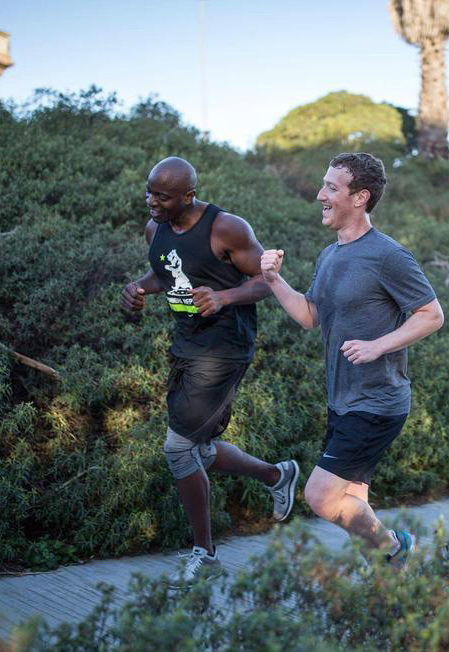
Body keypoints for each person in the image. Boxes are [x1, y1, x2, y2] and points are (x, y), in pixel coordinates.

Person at [260, 152, 444, 567]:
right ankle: (388, 575)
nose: (320, 195)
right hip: (342, 399)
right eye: (323, 185)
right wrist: (273, 280)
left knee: (321, 497)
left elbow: (432, 315)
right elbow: (310, 315)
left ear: (360, 197)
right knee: (352, 500)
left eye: (331, 187)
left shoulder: (388, 255)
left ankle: (396, 547)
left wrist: (379, 345)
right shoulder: (330, 255)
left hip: (377, 401)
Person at [121, 156, 299, 585]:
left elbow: (267, 281)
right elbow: (167, 272)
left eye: (163, 196)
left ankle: (206, 556)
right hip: (186, 345)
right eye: (149, 192)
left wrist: (224, 297)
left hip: (224, 350)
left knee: (178, 449)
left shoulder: (226, 228)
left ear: (189, 195)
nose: (152, 202)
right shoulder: (155, 228)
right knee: (197, 450)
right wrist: (139, 287)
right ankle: (278, 475)